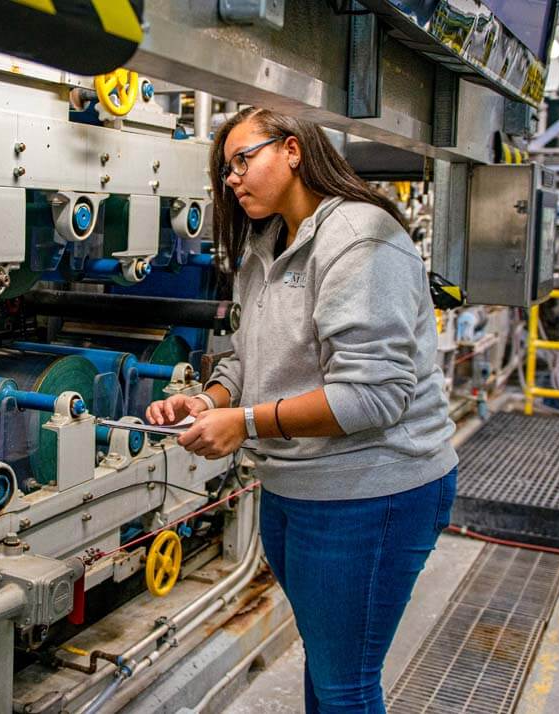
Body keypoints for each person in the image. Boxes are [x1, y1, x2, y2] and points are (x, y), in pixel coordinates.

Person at [145, 107, 458, 714]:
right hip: (297, 488)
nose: (233, 179)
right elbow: (248, 358)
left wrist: (245, 425)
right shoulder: (265, 244)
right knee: (331, 666)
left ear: (292, 150)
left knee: (345, 687)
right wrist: (209, 399)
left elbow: (374, 395)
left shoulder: (360, 238)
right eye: (225, 169)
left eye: (244, 159)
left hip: (372, 494)